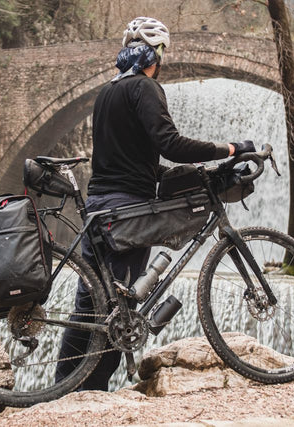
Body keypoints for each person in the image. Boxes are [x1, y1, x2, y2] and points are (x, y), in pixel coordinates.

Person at [55, 16, 254, 391]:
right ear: (155, 55)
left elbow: (129, 158)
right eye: (161, 54)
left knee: (89, 303)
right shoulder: (144, 88)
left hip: (99, 206)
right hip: (128, 211)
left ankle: (59, 389)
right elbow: (171, 143)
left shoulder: (106, 93)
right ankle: (90, 394)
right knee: (122, 309)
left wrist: (166, 175)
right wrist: (228, 148)